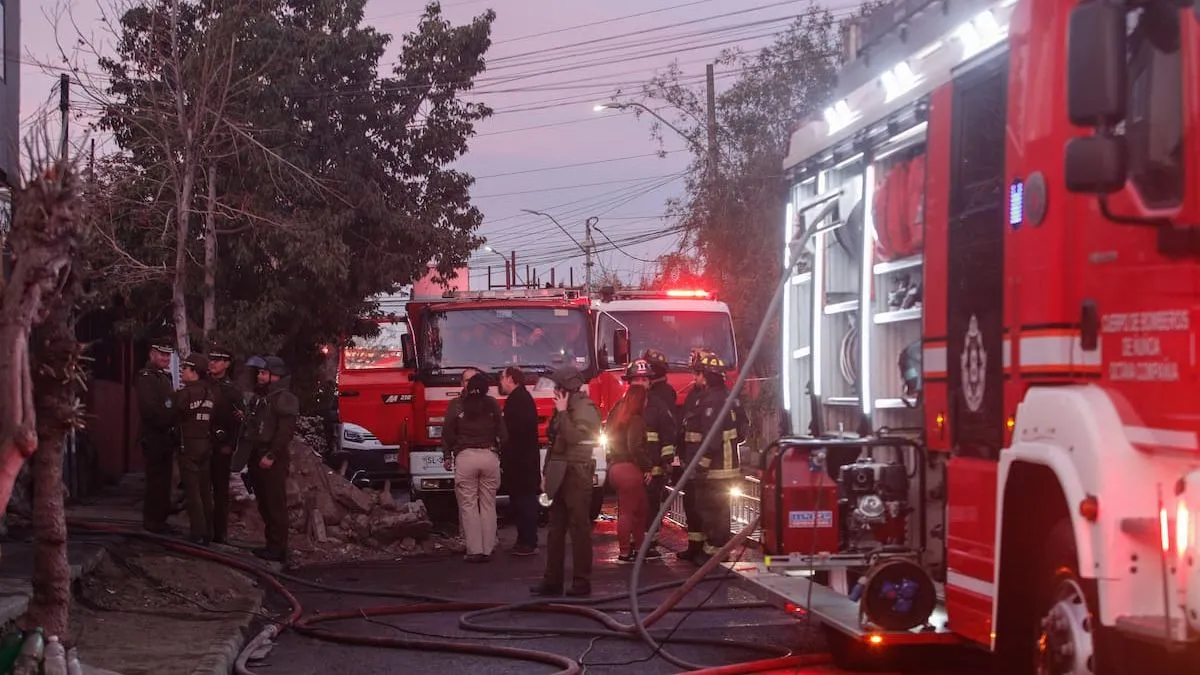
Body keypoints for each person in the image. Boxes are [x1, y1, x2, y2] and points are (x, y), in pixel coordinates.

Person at [531, 366, 601, 597]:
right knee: (555, 528)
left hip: (576, 473)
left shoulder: (585, 408)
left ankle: (582, 583)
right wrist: (545, 474)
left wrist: (562, 413)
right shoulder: (563, 407)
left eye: (558, 387)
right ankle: (553, 581)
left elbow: (575, 438)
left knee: (579, 529)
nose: (554, 391)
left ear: (568, 388)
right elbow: (554, 444)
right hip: (558, 472)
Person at [681, 350, 747, 565]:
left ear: (707, 376)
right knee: (718, 509)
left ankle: (713, 554)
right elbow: (743, 429)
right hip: (727, 466)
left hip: (715, 469)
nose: (696, 378)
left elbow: (711, 437)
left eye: (699, 374)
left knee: (711, 510)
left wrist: (701, 465)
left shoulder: (711, 401)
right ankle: (711, 551)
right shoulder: (730, 397)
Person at [442, 371, 507, 563]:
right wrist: (497, 450)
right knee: (488, 504)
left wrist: (452, 451)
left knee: (469, 506)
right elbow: (503, 433)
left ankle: (474, 550)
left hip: (466, 457)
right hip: (489, 455)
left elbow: (447, 432)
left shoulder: (456, 405)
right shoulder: (492, 404)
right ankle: (488, 548)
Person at [242, 355, 299, 562]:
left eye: (264, 372)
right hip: (257, 455)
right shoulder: (263, 398)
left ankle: (278, 548)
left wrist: (271, 455)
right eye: (259, 372)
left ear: (275, 375)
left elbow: (285, 432)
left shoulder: (284, 398)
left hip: (272, 457)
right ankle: (271, 545)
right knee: (265, 503)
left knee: (275, 504)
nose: (260, 376)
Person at [605, 363, 653, 564]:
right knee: (629, 511)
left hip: (616, 467)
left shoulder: (617, 411)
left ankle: (638, 549)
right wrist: (647, 467)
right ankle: (626, 552)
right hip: (629, 469)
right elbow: (635, 447)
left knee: (640, 508)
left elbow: (607, 434)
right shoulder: (636, 419)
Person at [173, 353, 218, 544]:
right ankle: (209, 531)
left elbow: (172, 412)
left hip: (188, 445)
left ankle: (197, 532)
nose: (182, 372)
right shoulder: (210, 393)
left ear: (194, 372)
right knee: (205, 491)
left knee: (193, 492)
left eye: (185, 369)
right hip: (205, 445)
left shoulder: (186, 393)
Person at [638, 349, 678, 559]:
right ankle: (647, 541)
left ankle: (648, 541)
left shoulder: (657, 397)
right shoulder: (656, 394)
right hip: (648, 460)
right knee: (649, 502)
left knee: (650, 502)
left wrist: (666, 461)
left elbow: (667, 429)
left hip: (651, 460)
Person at [136, 338, 178, 535]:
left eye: (168, 354)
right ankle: (152, 522)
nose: (165, 358)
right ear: (152, 354)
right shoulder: (146, 377)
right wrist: (170, 417)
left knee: (164, 481)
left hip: (165, 437)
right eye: (162, 354)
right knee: (155, 481)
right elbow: (149, 409)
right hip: (154, 435)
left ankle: (160, 520)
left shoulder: (163, 377)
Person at [499, 366, 541, 556]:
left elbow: (515, 432)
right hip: (523, 460)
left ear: (511, 379)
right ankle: (524, 540)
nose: (500, 382)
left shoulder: (518, 400)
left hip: (521, 462)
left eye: (502, 378)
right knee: (522, 501)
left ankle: (528, 541)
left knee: (525, 502)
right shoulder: (521, 398)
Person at [675, 349, 710, 561]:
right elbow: (684, 426)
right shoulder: (693, 396)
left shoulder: (714, 398)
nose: (694, 377)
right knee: (692, 504)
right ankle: (695, 545)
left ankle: (707, 548)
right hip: (690, 461)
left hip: (705, 465)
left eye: (698, 373)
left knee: (706, 506)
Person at [207, 346, 243, 544]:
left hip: (222, 446)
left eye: (218, 359)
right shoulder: (204, 383)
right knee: (202, 488)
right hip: (203, 443)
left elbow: (239, 421)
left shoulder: (232, 390)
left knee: (220, 490)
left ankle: (219, 533)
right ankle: (202, 528)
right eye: (211, 359)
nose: (213, 363)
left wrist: (230, 444)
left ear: (227, 364)